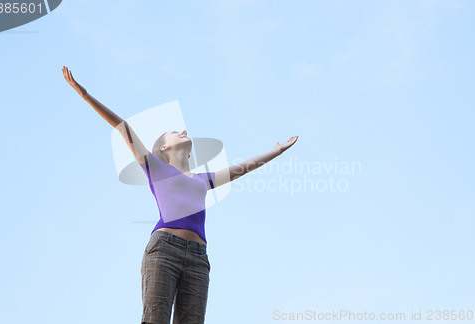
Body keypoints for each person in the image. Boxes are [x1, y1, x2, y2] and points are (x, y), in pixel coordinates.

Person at [62, 66, 298, 324]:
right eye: (176, 132)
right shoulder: (155, 168)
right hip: (164, 249)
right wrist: (84, 94)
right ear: (164, 147)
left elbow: (242, 168)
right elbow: (122, 126)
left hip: (198, 258)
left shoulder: (203, 180)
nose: (184, 132)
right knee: (155, 319)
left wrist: (277, 151)